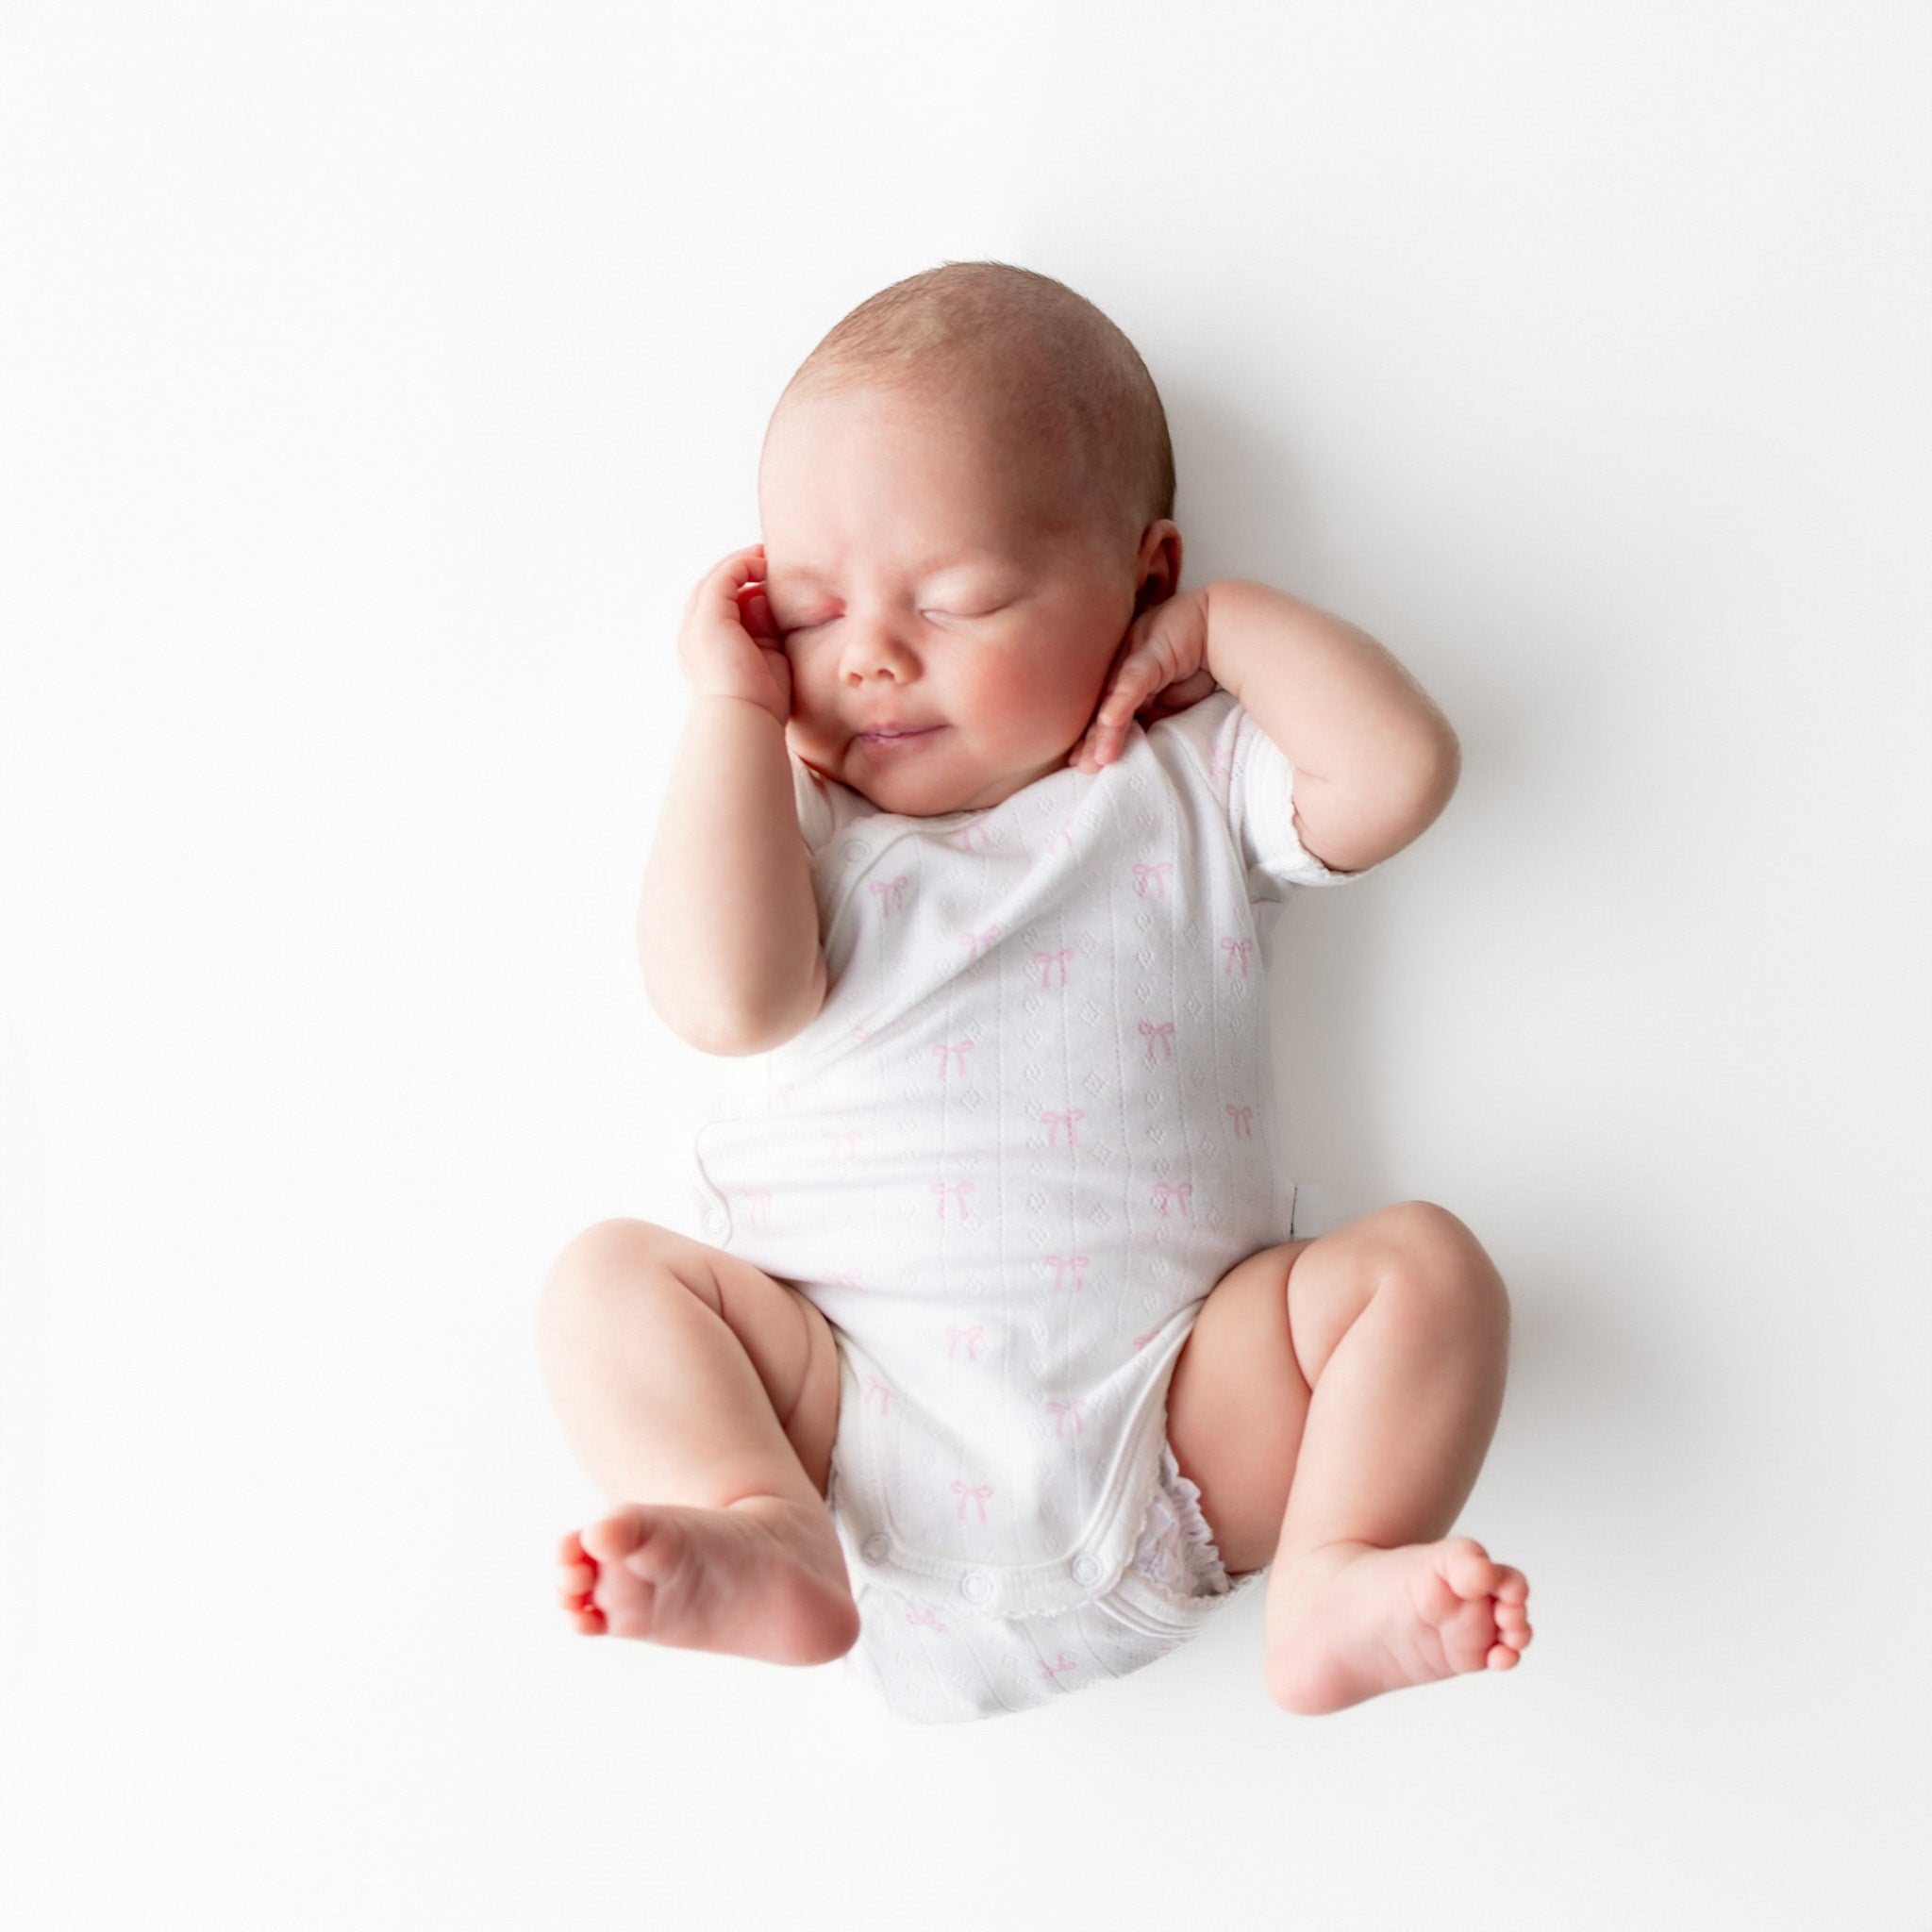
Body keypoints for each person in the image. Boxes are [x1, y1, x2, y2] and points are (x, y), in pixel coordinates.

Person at [537, 261, 1532, 1723]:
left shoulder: (1178, 782)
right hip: (848, 1426)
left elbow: (1397, 774)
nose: (871, 653)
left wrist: (1230, 633)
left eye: (958, 600)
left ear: (1140, 576)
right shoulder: (803, 829)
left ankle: (1334, 1567)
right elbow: (722, 1000)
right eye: (808, 612)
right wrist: (732, 717)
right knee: (605, 1286)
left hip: (1176, 1431)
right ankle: (755, 1524)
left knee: (1429, 1273)